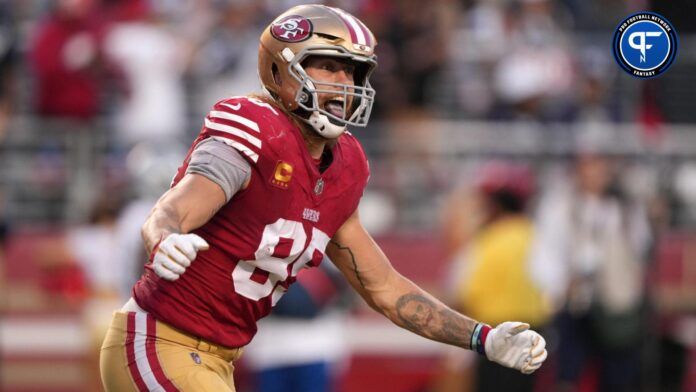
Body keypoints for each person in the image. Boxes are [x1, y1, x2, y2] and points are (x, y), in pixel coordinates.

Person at [99, 5, 548, 392]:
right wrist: (165, 237)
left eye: (352, 70)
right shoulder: (255, 128)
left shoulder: (344, 165)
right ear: (281, 68)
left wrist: (482, 338)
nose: (344, 81)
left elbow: (386, 289)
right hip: (159, 339)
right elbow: (175, 206)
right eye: (329, 66)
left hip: (219, 358)